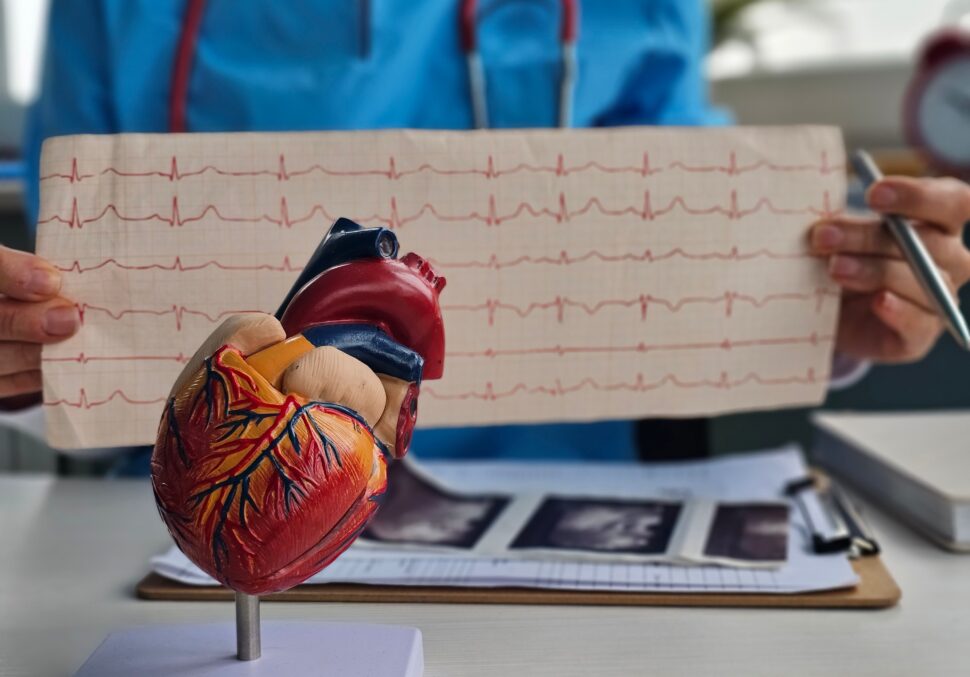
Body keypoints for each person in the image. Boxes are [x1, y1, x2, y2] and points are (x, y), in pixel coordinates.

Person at [2, 0, 970, 463]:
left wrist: (829, 300)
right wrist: (20, 337)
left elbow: (695, 234)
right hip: (195, 523)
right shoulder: (113, 12)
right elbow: (61, 292)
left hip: (552, 529)